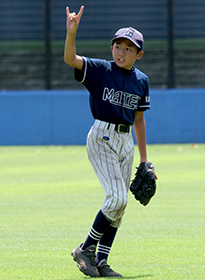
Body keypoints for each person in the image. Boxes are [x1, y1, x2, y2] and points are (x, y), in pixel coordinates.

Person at [64, 6, 155, 278]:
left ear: (138, 54)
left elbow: (139, 120)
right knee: (116, 197)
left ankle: (101, 262)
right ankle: (86, 248)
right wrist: (71, 34)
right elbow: (71, 59)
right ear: (111, 47)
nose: (121, 52)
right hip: (102, 137)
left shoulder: (142, 81)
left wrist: (144, 160)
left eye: (129, 48)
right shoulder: (99, 70)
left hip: (125, 141)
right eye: (118, 46)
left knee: (121, 205)